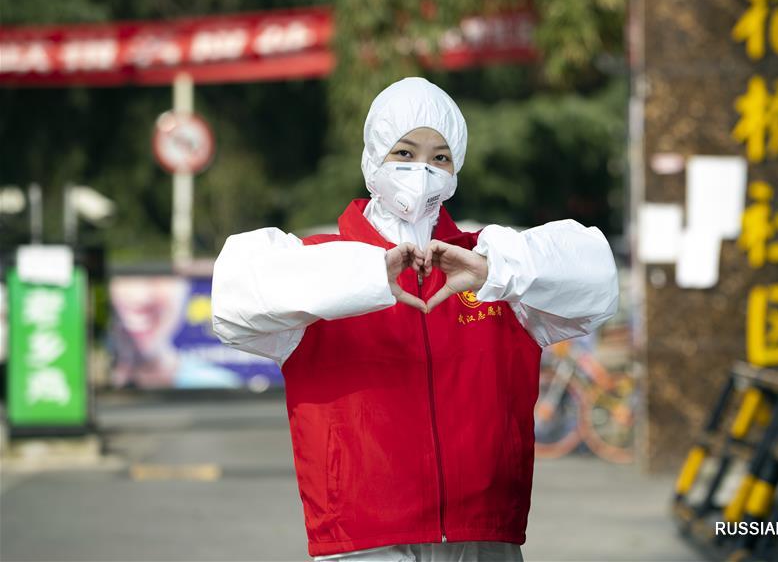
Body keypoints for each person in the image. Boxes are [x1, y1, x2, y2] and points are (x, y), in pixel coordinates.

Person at [211, 77, 619, 561]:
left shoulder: (491, 265)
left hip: (484, 533)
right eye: (403, 153)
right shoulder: (321, 268)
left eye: (439, 156)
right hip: (362, 539)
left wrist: (494, 269)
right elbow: (232, 296)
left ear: (456, 168)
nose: (421, 170)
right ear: (373, 158)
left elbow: (597, 279)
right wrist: (366, 272)